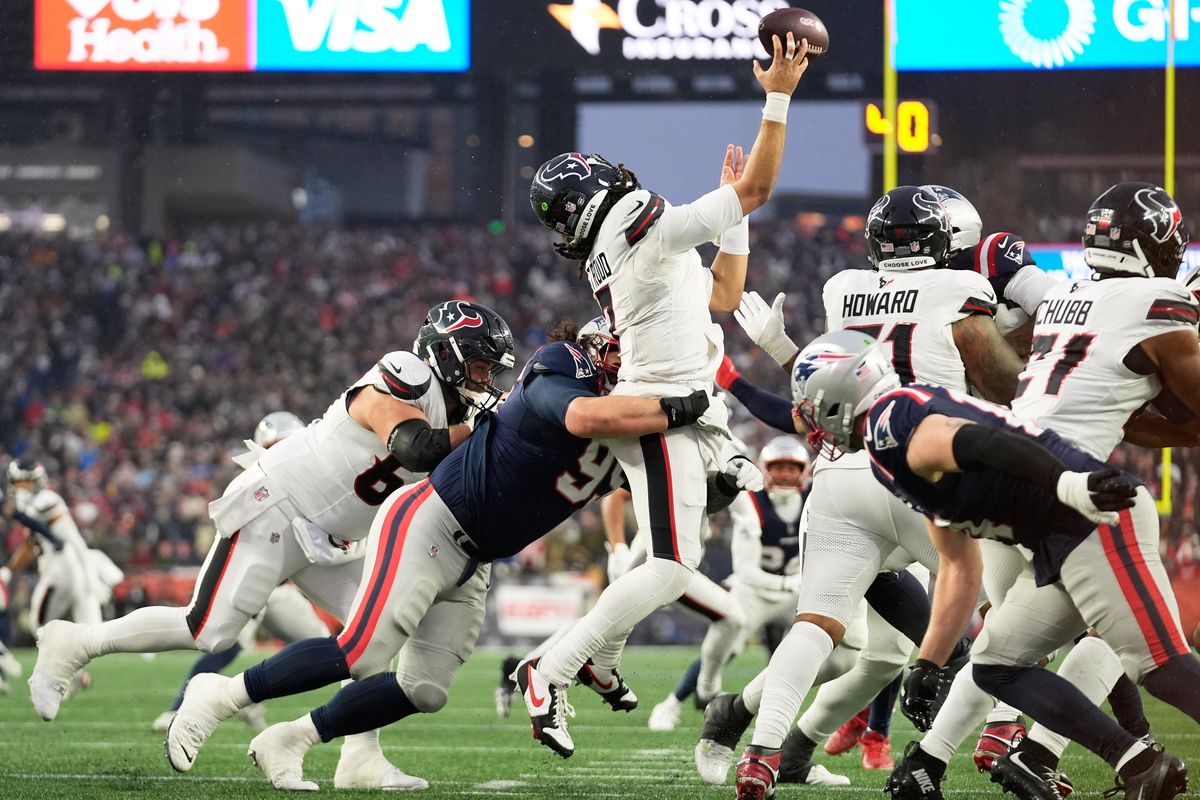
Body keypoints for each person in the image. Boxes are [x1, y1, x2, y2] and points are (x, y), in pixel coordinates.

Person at [163, 319, 713, 790]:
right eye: (619, 352)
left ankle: (293, 737)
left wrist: (723, 471)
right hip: (432, 519)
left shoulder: (629, 428)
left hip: (478, 556)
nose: (627, 364)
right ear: (596, 349)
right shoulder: (560, 365)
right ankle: (221, 694)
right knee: (361, 651)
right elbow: (577, 417)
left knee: (424, 690)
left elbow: (679, 497)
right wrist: (677, 409)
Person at [29, 300, 516, 791]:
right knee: (209, 629)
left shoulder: (460, 409)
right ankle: (75, 643)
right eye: (479, 366)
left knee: (373, 641)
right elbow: (414, 446)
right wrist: (482, 429)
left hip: (337, 537)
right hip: (282, 503)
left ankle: (359, 757)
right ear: (445, 354)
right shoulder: (406, 374)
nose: (485, 380)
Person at [519, 31, 810, 759]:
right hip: (661, 410)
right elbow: (759, 187)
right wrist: (778, 97)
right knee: (673, 565)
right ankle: (548, 670)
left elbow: (724, 294)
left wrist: (735, 218)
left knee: (686, 539)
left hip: (687, 412)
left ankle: (599, 657)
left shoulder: (625, 244)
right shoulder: (632, 222)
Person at [704, 185, 1027, 797]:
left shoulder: (843, 288)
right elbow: (1006, 385)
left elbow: (841, 381)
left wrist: (781, 348)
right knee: (1014, 603)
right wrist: (1030, 327)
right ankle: (1006, 734)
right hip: (923, 472)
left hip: (843, 470)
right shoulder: (960, 289)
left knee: (825, 629)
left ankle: (766, 753)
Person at [792, 325, 1198, 800]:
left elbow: (976, 440)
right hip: (1060, 536)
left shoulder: (889, 425)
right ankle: (1141, 766)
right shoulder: (893, 429)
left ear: (839, 397)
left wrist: (1065, 483)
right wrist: (928, 662)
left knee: (1161, 667)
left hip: (1091, 516)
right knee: (995, 663)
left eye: (810, 405)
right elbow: (959, 565)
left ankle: (1130, 761)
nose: (807, 419)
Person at [151, 412, 330, 735]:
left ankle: (249, 697)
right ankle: (179, 708)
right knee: (223, 645)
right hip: (253, 583)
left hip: (282, 588)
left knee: (324, 652)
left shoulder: (313, 482)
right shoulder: (254, 482)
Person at [646, 436, 808, 732]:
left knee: (814, 645)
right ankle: (671, 703)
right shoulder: (753, 503)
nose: (785, 474)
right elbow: (746, 572)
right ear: (766, 469)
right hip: (756, 592)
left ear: (803, 471)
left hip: (792, 592)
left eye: (791, 468)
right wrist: (790, 584)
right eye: (779, 467)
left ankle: (783, 716)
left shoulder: (812, 502)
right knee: (725, 648)